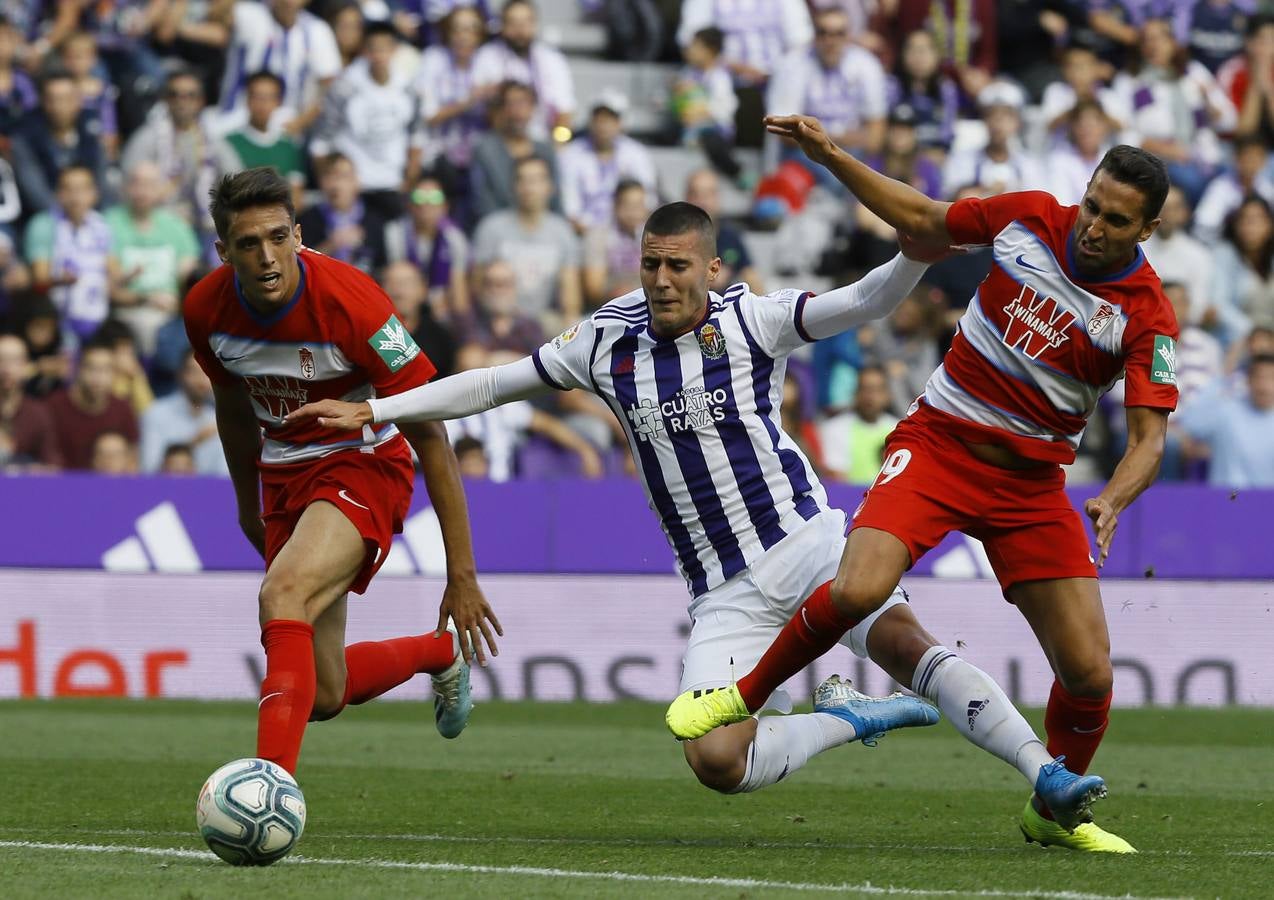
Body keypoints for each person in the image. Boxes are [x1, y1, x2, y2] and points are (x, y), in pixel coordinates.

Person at [284, 202, 1077, 833]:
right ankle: (845, 718)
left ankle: (1044, 771)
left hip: (807, 546)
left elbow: (861, 303)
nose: (662, 280)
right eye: (650, 264)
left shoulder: (753, 321)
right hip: (722, 595)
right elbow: (491, 384)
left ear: (713, 266)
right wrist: (378, 409)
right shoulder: (604, 339)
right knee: (715, 759)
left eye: (677, 265)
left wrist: (914, 253)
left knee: (910, 646)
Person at [665, 113, 1181, 854]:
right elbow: (920, 219)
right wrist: (832, 153)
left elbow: (1149, 440)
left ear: (1149, 229)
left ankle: (1054, 805)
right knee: (857, 591)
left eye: (1115, 219)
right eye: (1093, 203)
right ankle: (741, 697)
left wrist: (1114, 497)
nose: (1092, 225)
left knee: (1091, 674)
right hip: (938, 446)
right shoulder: (1030, 216)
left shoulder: (1145, 314)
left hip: (1031, 486)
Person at [182, 167, 502, 775]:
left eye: (279, 237)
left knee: (282, 591)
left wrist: (461, 572)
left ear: (299, 235)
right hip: (282, 477)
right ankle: (438, 655)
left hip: (362, 465)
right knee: (323, 694)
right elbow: (232, 407)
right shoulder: (205, 309)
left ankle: (266, 789)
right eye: (248, 245)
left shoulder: (354, 303)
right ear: (224, 252)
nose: (268, 257)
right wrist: (247, 504)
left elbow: (430, 430)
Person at [471, 155, 581, 331]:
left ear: (550, 187)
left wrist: (570, 326)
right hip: (498, 318)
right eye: (522, 180)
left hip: (543, 319)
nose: (529, 187)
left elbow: (570, 295)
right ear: (513, 187)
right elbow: (477, 287)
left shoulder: (563, 232)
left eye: (536, 180)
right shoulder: (491, 228)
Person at [471, 0, 575, 140]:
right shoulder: (486, 57)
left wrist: (559, 142)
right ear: (502, 25)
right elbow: (480, 108)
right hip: (497, 141)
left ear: (535, 25)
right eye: (512, 23)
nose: (519, 30)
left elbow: (564, 112)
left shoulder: (553, 60)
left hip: (542, 142)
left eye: (525, 23)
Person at [1176, 354, 1274, 487]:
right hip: (1227, 502)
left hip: (1268, 505)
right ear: (1248, 380)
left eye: (1270, 378)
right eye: (1259, 377)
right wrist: (1222, 377)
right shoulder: (1227, 412)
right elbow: (1190, 423)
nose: (1264, 385)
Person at [45, 334, 139, 470]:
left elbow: (132, 461)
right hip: (62, 485)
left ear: (115, 374)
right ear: (78, 370)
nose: (98, 377)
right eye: (91, 368)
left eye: (106, 370)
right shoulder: (53, 406)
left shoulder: (123, 409)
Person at [139, 349, 226, 475]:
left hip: (209, 492)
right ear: (181, 375)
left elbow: (225, 476)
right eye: (195, 372)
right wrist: (194, 441)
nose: (201, 380)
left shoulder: (218, 419)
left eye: (207, 373)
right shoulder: (156, 413)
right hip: (166, 492)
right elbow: (149, 470)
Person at [816, 364, 897, 483]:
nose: (870, 396)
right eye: (865, 389)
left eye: (876, 390)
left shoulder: (898, 429)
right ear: (855, 393)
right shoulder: (834, 428)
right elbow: (836, 478)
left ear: (887, 395)